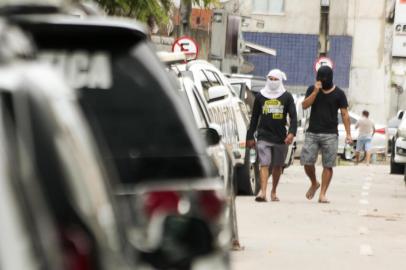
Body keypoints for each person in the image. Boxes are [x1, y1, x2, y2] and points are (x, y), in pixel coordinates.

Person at [300, 65, 352, 203]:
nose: (322, 80)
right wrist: (316, 92)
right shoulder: (312, 89)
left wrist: (348, 134)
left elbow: (345, 114)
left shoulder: (339, 93)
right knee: (307, 161)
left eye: (324, 78)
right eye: (319, 78)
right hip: (312, 132)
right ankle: (314, 182)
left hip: (330, 134)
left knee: (328, 165)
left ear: (330, 78)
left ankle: (322, 194)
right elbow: (304, 105)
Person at [246, 69, 297, 202]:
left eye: (276, 79)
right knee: (264, 163)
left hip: (281, 137)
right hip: (263, 136)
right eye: (271, 79)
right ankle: (263, 192)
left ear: (280, 81)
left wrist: (291, 133)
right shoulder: (260, 96)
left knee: (277, 166)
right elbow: (254, 118)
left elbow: (293, 117)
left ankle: (273, 190)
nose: (273, 82)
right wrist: (250, 136)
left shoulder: (287, 97)